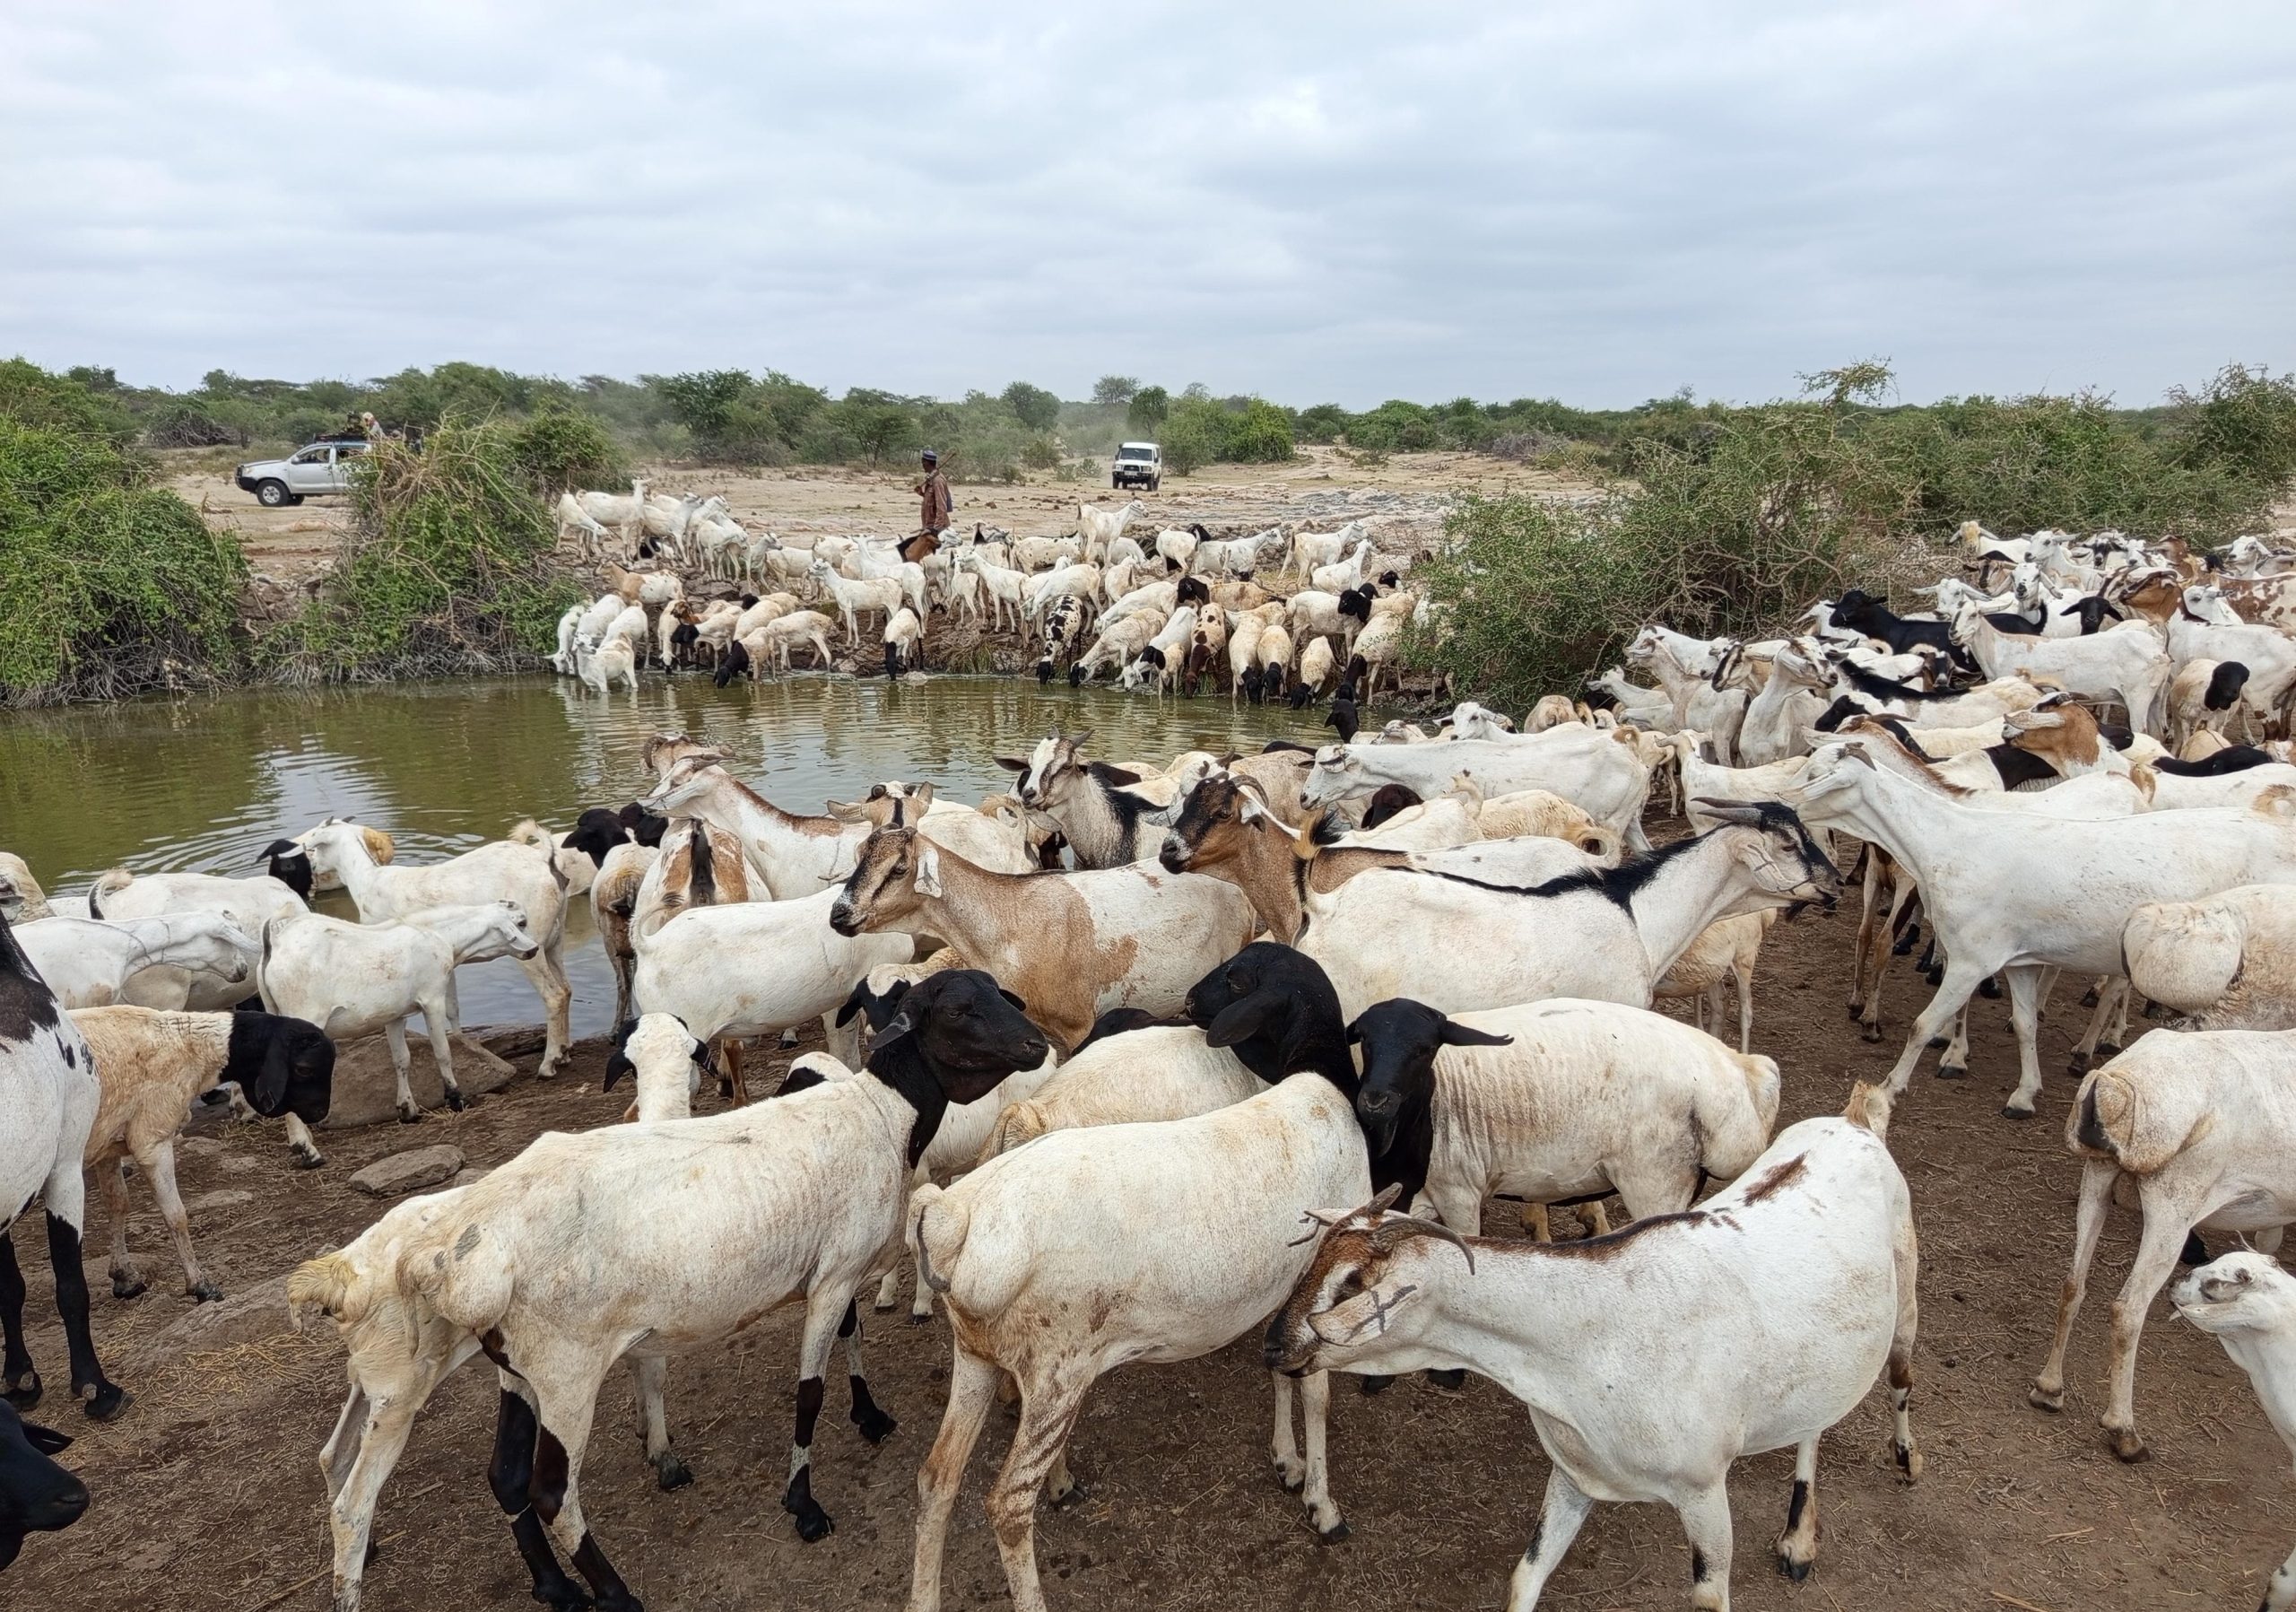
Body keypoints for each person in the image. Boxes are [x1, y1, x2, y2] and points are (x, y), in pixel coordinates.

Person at [913, 448, 952, 545]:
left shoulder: (938, 481)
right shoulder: (931, 479)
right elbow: (932, 500)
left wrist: (936, 529)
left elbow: (941, 506)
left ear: (926, 463)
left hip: (936, 528)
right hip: (928, 525)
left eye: (923, 463)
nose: (922, 466)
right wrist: (922, 493)